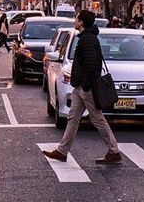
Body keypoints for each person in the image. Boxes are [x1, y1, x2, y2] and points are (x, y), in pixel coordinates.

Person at [42, 9, 121, 164]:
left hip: (87, 88)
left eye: (76, 18)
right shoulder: (86, 38)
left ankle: (114, 151)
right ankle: (62, 151)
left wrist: (85, 86)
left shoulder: (87, 40)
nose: (74, 20)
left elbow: (91, 65)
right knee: (73, 117)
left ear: (81, 22)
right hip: (80, 87)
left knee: (97, 119)